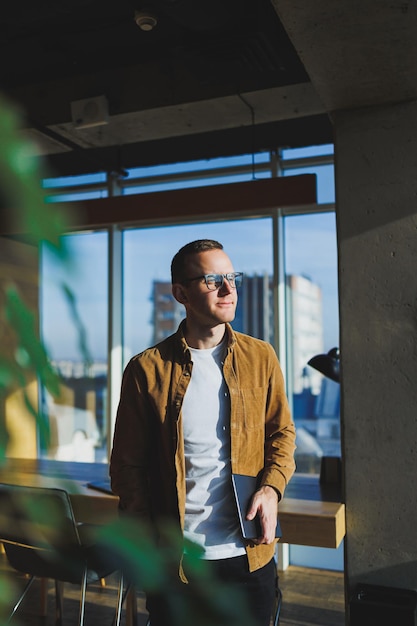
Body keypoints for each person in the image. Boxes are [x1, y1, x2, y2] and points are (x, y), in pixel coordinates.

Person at [110, 239, 296, 626]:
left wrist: (270, 488)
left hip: (249, 557)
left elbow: (282, 433)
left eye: (232, 277)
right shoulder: (146, 370)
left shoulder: (261, 356)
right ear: (181, 293)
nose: (229, 290)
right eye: (213, 280)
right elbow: (127, 466)